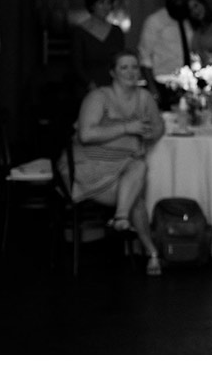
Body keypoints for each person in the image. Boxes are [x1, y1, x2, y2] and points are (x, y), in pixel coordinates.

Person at [61, 50, 165, 276]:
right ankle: (150, 251)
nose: (130, 72)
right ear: (112, 72)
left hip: (122, 167)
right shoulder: (99, 97)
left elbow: (159, 126)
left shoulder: (144, 97)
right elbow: (86, 135)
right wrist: (127, 128)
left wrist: (149, 134)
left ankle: (121, 218)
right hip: (88, 166)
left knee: (138, 167)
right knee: (135, 193)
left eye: (134, 67)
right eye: (124, 67)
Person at [138, 0, 194, 108]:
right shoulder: (154, 21)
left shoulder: (189, 20)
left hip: (187, 83)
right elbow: (144, 57)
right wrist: (152, 88)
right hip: (162, 84)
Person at [69, 0, 125, 98]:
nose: (106, 7)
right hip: (87, 88)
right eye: (101, 3)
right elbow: (76, 65)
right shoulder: (79, 32)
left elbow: (121, 60)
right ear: (92, 5)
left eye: (109, 3)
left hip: (113, 87)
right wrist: (90, 85)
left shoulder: (116, 31)